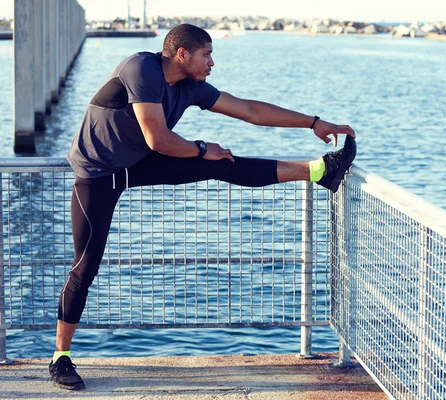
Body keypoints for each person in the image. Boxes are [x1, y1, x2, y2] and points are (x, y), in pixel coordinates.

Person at [49, 24, 356, 390]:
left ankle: (320, 170)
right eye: (206, 55)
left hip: (137, 163)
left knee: (223, 162)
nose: (211, 62)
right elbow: (158, 138)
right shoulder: (140, 69)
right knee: (85, 266)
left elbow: (249, 110)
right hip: (97, 174)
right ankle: (60, 357)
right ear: (182, 54)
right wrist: (200, 148)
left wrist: (315, 123)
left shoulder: (189, 87)